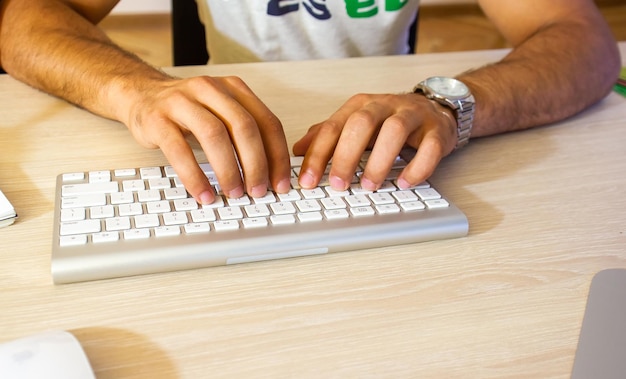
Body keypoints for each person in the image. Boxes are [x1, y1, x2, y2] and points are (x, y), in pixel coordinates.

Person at [0, 0, 620, 205]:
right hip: (214, 130)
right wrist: (134, 90)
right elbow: (24, 22)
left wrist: (451, 103)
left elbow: (583, 40)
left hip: (377, 138)